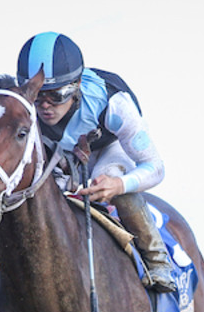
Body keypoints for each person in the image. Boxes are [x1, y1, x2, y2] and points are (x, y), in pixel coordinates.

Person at [10, 31, 176, 293]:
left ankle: (157, 260)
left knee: (107, 176)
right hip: (62, 156)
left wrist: (119, 185)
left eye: (57, 95)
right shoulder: (21, 107)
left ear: (76, 86)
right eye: (37, 95)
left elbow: (156, 167)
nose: (45, 106)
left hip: (110, 149)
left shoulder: (114, 104)